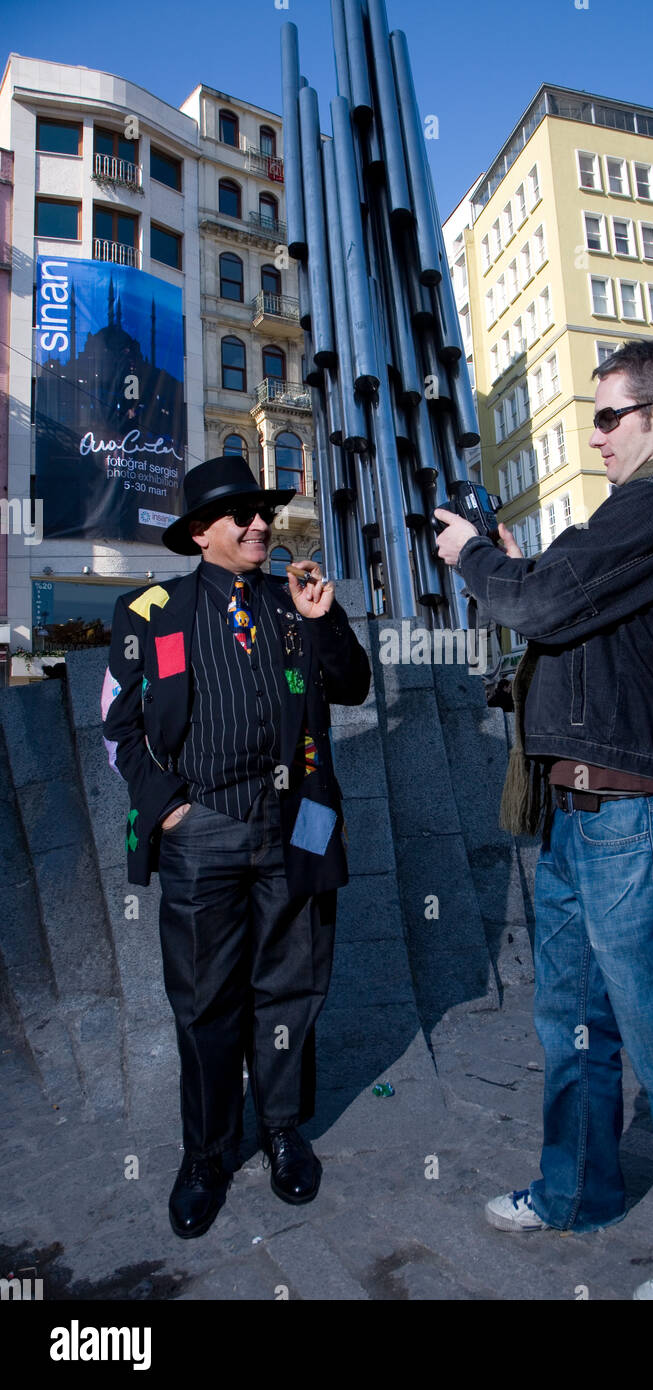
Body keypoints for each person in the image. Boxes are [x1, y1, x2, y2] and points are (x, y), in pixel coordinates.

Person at [434, 339, 653, 1301]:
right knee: (574, 1021)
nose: (595, 435)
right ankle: (577, 1188)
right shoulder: (648, 513)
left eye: (607, 415)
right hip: (580, 812)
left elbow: (543, 604)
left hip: (631, 818)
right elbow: (575, 611)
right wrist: (513, 565)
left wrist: (472, 558)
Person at [103, 455, 370, 1238]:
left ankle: (283, 1131)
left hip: (299, 822)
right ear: (200, 532)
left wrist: (327, 618)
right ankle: (206, 1155)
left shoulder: (293, 604)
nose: (261, 524)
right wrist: (172, 812)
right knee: (205, 1002)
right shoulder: (149, 611)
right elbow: (119, 726)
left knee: (292, 989)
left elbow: (350, 685)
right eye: (242, 515)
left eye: (264, 512)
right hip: (203, 830)